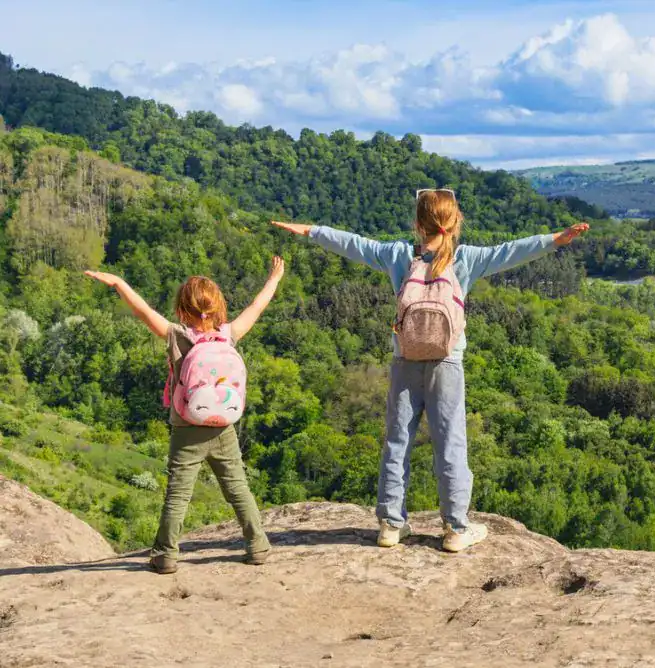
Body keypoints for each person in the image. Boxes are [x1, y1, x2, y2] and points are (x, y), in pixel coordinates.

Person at [273, 189, 588, 552]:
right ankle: (455, 529)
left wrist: (311, 230)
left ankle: (391, 525)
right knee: (450, 442)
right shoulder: (465, 259)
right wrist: (555, 240)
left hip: (405, 358)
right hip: (447, 362)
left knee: (397, 441)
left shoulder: (397, 256)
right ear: (455, 222)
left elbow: (352, 244)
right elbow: (510, 251)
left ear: (417, 223)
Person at [84, 257, 286, 574]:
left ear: (182, 310)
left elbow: (142, 312)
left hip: (186, 428)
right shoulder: (228, 334)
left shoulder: (177, 335)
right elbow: (256, 308)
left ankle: (165, 555)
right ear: (218, 308)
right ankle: (257, 545)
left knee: (178, 495)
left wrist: (119, 284)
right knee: (238, 488)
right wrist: (273, 279)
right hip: (223, 428)